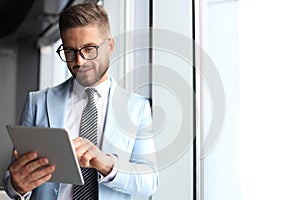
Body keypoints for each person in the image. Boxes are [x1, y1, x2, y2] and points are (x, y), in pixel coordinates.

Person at [3, 2, 158, 200]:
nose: (79, 61)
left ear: (109, 46)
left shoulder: (137, 108)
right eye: (70, 52)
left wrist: (106, 163)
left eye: (89, 49)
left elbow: (149, 182)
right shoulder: (38, 102)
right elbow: (11, 178)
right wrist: (17, 184)